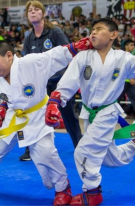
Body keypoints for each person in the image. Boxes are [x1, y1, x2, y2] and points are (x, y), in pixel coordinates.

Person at [45, 18, 135, 206]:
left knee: (83, 151)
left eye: (98, 29)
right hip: (89, 114)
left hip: (108, 113)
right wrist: (55, 102)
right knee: (111, 158)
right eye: (91, 30)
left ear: (113, 35)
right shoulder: (83, 57)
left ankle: (93, 192)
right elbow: (68, 82)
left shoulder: (123, 57)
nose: (92, 33)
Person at [0, 37, 92, 206]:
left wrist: (75, 47)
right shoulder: (2, 74)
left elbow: (54, 55)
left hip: (37, 118)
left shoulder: (31, 62)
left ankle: (63, 188)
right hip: (13, 118)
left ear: (9, 55)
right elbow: (7, 95)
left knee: (47, 154)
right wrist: (3, 107)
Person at [20, 0, 83, 161]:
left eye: (36, 9)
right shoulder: (28, 38)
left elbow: (70, 54)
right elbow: (26, 62)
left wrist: (72, 80)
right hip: (39, 84)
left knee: (68, 115)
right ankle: (29, 149)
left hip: (60, 82)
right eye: (29, 11)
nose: (32, 12)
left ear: (43, 13)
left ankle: (80, 146)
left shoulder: (54, 32)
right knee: (33, 115)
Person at [118, 39, 135, 118]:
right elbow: (123, 68)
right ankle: (118, 113)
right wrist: (130, 78)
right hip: (123, 81)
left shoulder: (132, 56)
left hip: (130, 81)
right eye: (131, 45)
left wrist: (133, 78)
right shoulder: (122, 56)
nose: (133, 47)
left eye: (133, 45)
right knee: (118, 98)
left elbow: (132, 69)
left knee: (133, 97)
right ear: (126, 46)